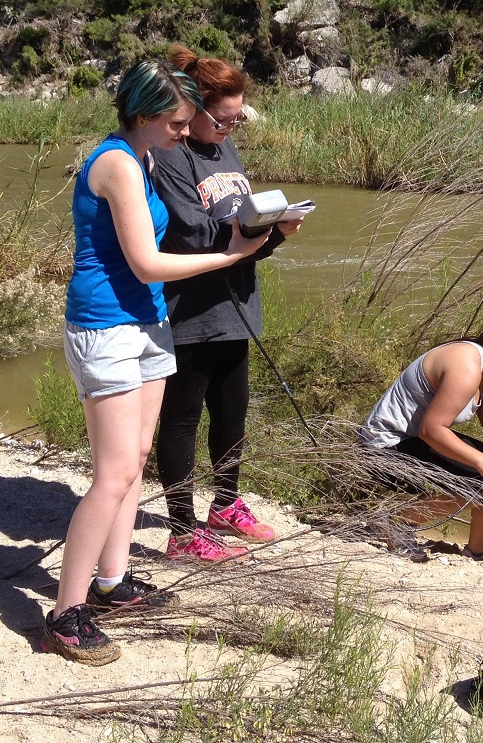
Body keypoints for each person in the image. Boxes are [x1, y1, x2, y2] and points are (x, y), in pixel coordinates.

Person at [42, 59, 271, 667]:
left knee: (137, 457)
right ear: (144, 115)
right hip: (106, 324)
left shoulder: (145, 156)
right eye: (174, 121)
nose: (182, 129)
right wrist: (229, 257)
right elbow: (146, 263)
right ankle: (66, 612)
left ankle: (112, 582)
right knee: (114, 474)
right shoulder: (117, 161)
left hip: (146, 322)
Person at [152, 47, 302, 562]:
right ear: (191, 107)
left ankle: (226, 504)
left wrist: (275, 231)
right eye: (222, 118)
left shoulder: (224, 149)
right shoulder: (171, 156)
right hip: (189, 309)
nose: (230, 128)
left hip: (237, 303)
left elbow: (240, 236)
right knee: (181, 419)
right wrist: (251, 231)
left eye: (238, 120)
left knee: (232, 413)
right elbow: (192, 232)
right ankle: (181, 529)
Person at [359, 298, 483, 563]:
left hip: (410, 443)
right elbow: (431, 429)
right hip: (381, 449)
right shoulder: (466, 364)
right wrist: (480, 462)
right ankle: (396, 522)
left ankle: (479, 550)